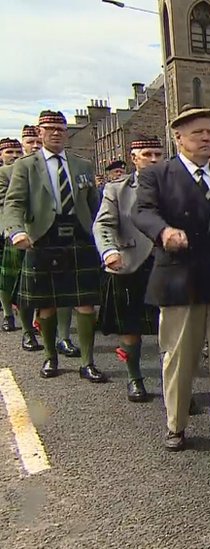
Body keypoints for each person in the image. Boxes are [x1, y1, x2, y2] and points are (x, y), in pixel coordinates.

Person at [132, 105, 210, 463]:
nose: (206, 137)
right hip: (179, 280)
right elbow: (142, 212)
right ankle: (176, 424)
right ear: (178, 138)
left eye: (209, 131)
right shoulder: (157, 175)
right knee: (179, 359)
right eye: (198, 132)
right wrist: (163, 231)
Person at [5, 111, 106, 382]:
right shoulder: (25, 166)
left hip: (78, 237)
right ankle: (51, 357)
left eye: (60, 128)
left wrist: (103, 237)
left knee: (85, 303)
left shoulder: (82, 164)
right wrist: (15, 231)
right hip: (43, 238)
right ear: (40, 132)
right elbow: (13, 203)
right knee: (46, 304)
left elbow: (95, 206)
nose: (56, 133)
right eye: (49, 128)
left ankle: (88, 362)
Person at [93, 135, 164, 402]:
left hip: (168, 267)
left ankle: (175, 386)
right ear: (134, 158)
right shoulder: (116, 189)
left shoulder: (175, 186)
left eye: (158, 154)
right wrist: (109, 251)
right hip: (130, 265)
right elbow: (102, 225)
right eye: (147, 154)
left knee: (171, 332)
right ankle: (135, 378)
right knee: (130, 328)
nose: (154, 159)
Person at [0, 126, 42, 350]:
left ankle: (51, 331)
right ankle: (11, 316)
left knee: (42, 285)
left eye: (37, 141)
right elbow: (5, 204)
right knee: (12, 281)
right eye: (29, 141)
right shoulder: (8, 172)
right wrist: (12, 229)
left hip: (43, 233)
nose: (34, 146)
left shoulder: (48, 167)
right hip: (14, 231)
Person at [0, 137, 24, 332]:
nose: (15, 156)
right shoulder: (3, 174)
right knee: (5, 277)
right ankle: (8, 314)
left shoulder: (29, 170)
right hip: (5, 229)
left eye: (18, 152)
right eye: (9, 152)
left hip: (26, 228)